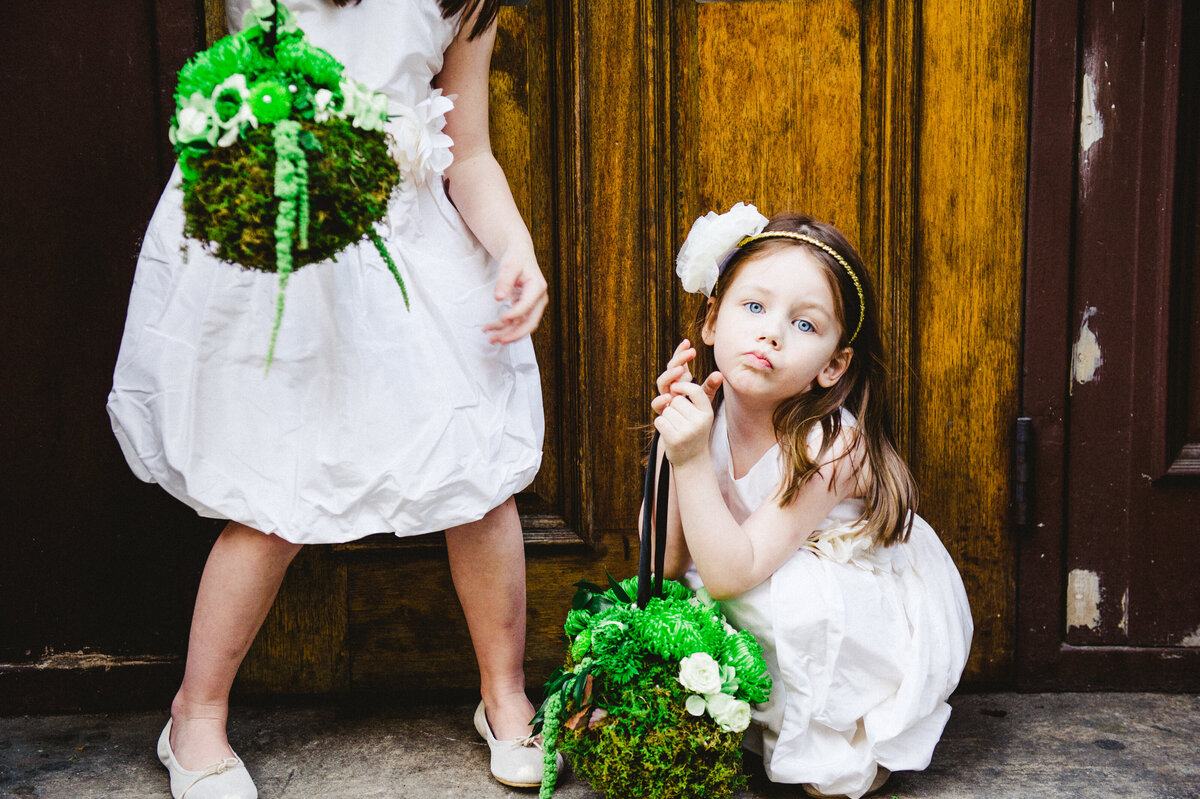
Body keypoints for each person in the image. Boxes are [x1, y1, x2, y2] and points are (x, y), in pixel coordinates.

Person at [106, 1, 552, 796]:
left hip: (409, 254)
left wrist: (514, 244)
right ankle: (195, 714)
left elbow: (470, 152)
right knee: (271, 496)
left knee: (478, 477)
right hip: (287, 256)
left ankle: (505, 692)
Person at [649, 204, 973, 799]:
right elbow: (664, 567)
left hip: (852, 598)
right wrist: (674, 444)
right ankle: (759, 722)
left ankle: (842, 739)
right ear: (712, 321)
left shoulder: (832, 448)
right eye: (754, 307)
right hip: (751, 568)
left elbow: (728, 574)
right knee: (695, 607)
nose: (772, 331)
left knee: (778, 604)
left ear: (833, 366)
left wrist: (692, 461)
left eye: (805, 324)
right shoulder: (709, 415)